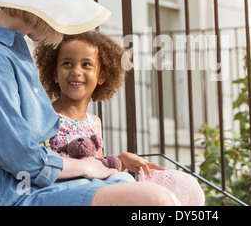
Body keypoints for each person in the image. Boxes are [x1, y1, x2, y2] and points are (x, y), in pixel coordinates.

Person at [0, 0, 179, 206]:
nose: (62, 26)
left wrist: (96, 165)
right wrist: (86, 167)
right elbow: (23, 159)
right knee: (154, 200)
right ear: (40, 8)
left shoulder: (9, 49)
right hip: (12, 192)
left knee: (171, 192)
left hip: (35, 183)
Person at [33, 31, 165, 181]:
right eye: (67, 63)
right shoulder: (45, 116)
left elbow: (99, 169)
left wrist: (122, 160)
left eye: (86, 65)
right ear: (55, 73)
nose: (76, 71)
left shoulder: (94, 122)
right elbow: (40, 167)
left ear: (101, 76)